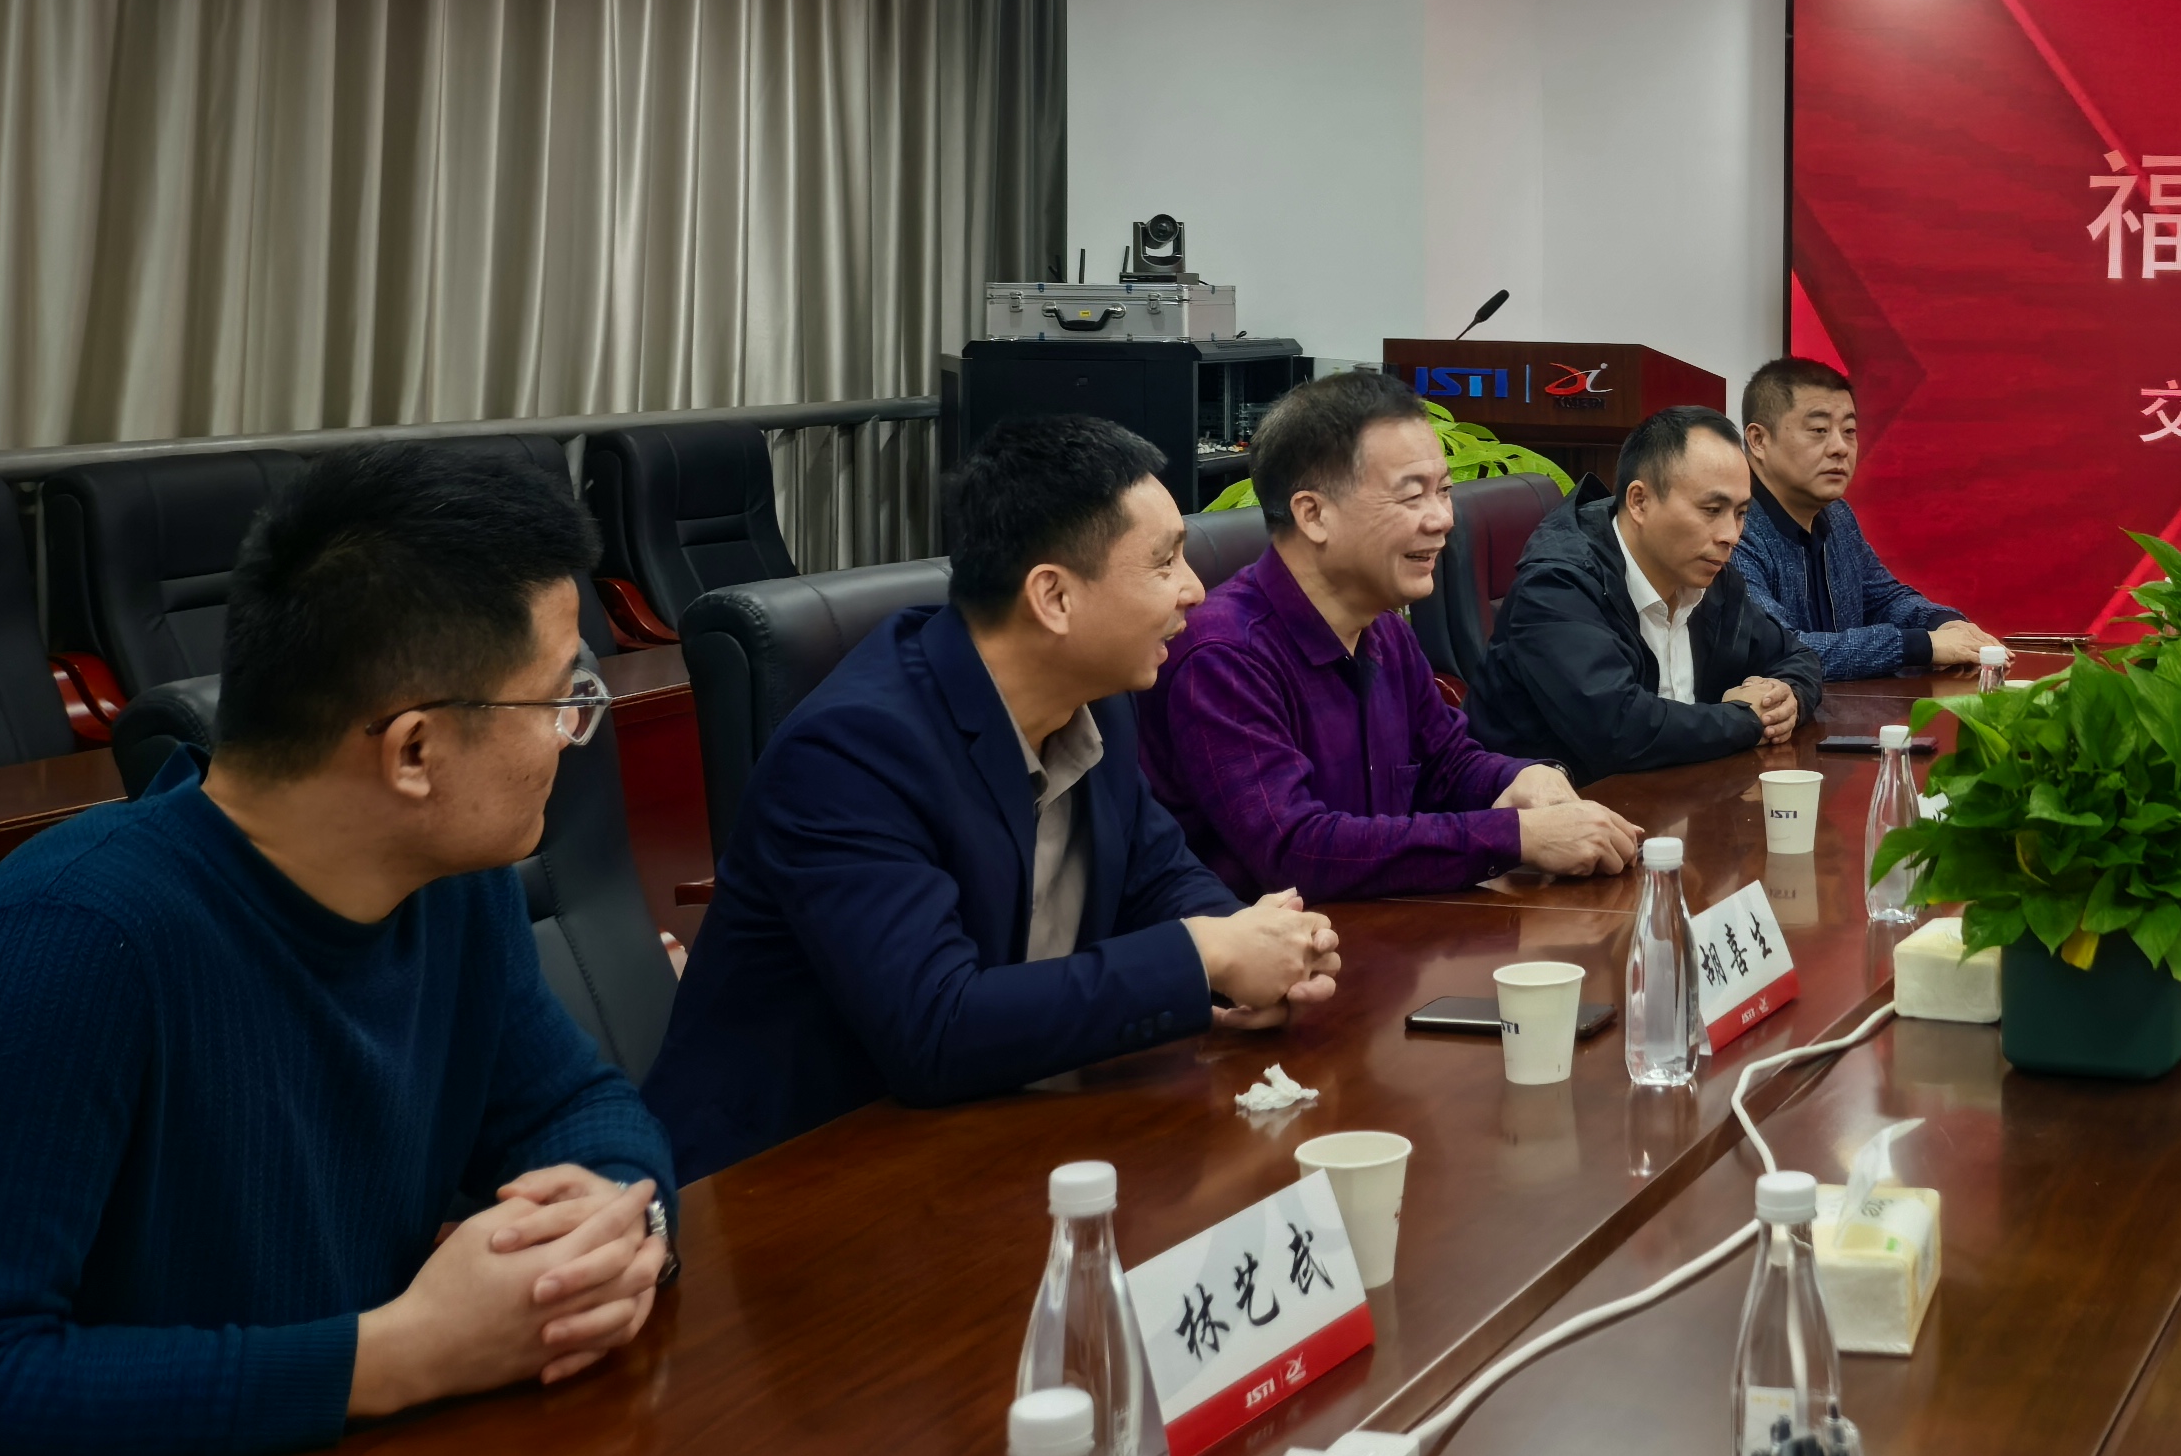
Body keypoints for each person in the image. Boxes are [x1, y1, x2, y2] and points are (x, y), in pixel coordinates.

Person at [0, 446, 675, 1456]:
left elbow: (575, 1105)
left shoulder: (451, 883)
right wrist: (397, 1356)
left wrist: (616, 1229)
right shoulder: (73, 940)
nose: (573, 733)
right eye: (557, 699)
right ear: (413, 752)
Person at [645, 416, 1342, 1179]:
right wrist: (1201, 956)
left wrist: (1251, 947)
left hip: (999, 1133)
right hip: (792, 1178)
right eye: (1164, 561)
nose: (1194, 589)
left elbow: (1154, 874)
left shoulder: (1095, 695)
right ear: (1054, 596)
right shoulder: (853, 753)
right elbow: (935, 1028)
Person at [1145, 370, 1640, 899]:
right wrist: (1516, 836)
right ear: (1313, 514)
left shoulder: (1383, 628)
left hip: (1386, 927)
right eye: (1411, 496)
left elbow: (1446, 766)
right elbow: (1295, 852)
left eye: (1444, 491)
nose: (1442, 519)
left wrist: (1521, 779)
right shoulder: (1222, 657)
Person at [1470, 406, 1824, 782]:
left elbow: (1795, 656)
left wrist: (1787, 699)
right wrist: (1747, 720)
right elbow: (1618, 730)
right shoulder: (1558, 586)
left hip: (1678, 799)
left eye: (1740, 513)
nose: (1731, 535)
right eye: (1712, 509)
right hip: (1558, 809)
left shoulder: (1709, 577)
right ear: (1639, 501)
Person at [1733, 356, 1999, 683]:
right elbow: (1780, 651)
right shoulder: (1731, 527)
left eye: (1849, 431)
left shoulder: (1838, 517)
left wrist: (1944, 624)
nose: (1840, 448)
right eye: (1818, 430)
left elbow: (1885, 599)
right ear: (1759, 440)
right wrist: (1921, 646)